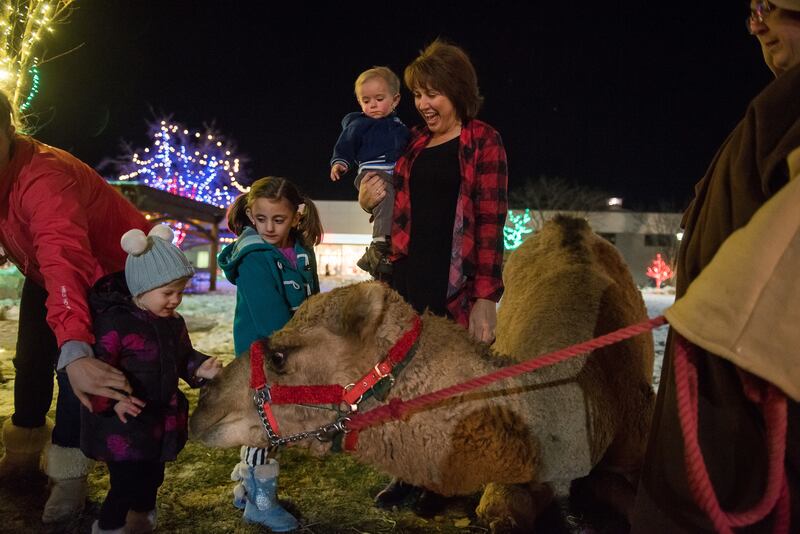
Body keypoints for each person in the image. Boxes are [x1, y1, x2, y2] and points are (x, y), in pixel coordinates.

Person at [630, 1, 800, 531]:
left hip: (748, 420)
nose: (755, 25)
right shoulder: (778, 106)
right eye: (752, 10)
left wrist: (723, 317)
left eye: (768, 7)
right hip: (719, 401)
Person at [358, 38, 508, 515]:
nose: (423, 104)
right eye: (418, 94)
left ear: (457, 91)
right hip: (404, 281)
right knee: (401, 382)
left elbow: (489, 221)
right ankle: (406, 471)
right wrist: (368, 202)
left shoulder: (483, 140)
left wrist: (486, 296)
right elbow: (393, 211)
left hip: (455, 286)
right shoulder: (414, 145)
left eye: (432, 93)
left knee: (446, 385)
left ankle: (444, 481)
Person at [0, 89, 150, 522]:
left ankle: (68, 477)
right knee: (29, 358)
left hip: (109, 274)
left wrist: (75, 346)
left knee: (75, 367)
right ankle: (23, 451)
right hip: (43, 271)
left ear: (8, 129)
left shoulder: (46, 176)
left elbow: (65, 258)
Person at [81, 225, 222, 534]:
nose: (175, 301)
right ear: (140, 290)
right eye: (167, 293)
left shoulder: (173, 323)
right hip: (124, 424)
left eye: (180, 293)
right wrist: (112, 401)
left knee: (151, 479)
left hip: (158, 421)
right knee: (125, 484)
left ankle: (140, 523)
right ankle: (109, 527)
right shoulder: (116, 324)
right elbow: (99, 368)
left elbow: (183, 355)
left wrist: (199, 368)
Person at [218, 176, 323, 532]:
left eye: (278, 220)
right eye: (261, 219)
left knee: (271, 426)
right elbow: (271, 321)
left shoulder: (302, 249)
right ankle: (260, 505)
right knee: (265, 429)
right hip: (265, 358)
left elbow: (312, 299)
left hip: (290, 355)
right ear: (251, 214)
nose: (269, 228)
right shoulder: (254, 259)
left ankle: (246, 487)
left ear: (296, 215)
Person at [329, 66, 410, 278]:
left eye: (379, 99)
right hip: (372, 173)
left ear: (395, 100)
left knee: (392, 201)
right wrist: (340, 163)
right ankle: (379, 244)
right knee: (385, 196)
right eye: (366, 101)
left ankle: (378, 249)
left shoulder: (400, 127)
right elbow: (345, 145)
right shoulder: (359, 125)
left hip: (392, 173)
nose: (372, 105)